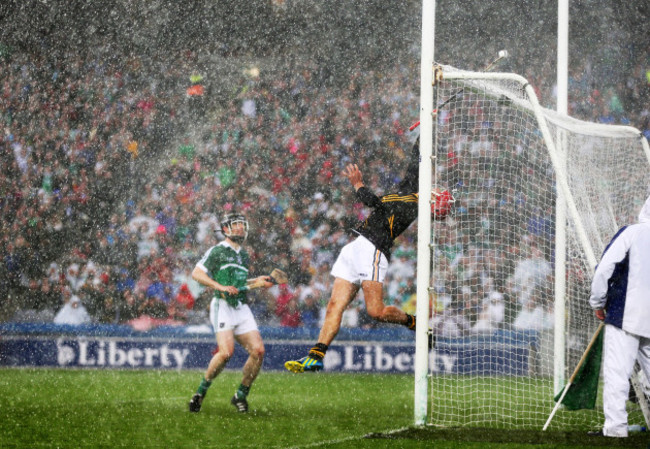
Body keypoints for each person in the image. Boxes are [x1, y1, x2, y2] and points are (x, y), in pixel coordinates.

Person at [284, 138, 452, 373]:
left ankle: (416, 323)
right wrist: (423, 131)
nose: (433, 190)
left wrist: (358, 185)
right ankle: (316, 355)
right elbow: (416, 161)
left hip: (373, 249)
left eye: (436, 196)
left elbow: (376, 203)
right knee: (334, 305)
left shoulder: (411, 205)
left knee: (376, 311)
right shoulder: (411, 189)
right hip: (355, 247)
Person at [188, 212, 273, 413]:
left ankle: (241, 395)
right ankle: (201, 392)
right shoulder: (218, 251)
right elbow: (196, 274)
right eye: (236, 225)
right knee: (226, 353)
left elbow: (239, 284)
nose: (241, 228)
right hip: (223, 306)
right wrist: (220, 286)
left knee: (258, 351)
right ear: (226, 229)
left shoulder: (243, 254)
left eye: (243, 225)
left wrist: (257, 281)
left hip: (241, 307)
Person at [588, 195, 650, 438]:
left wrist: (598, 303)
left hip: (625, 314)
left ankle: (615, 429)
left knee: (617, 374)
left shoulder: (632, 233)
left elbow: (605, 268)